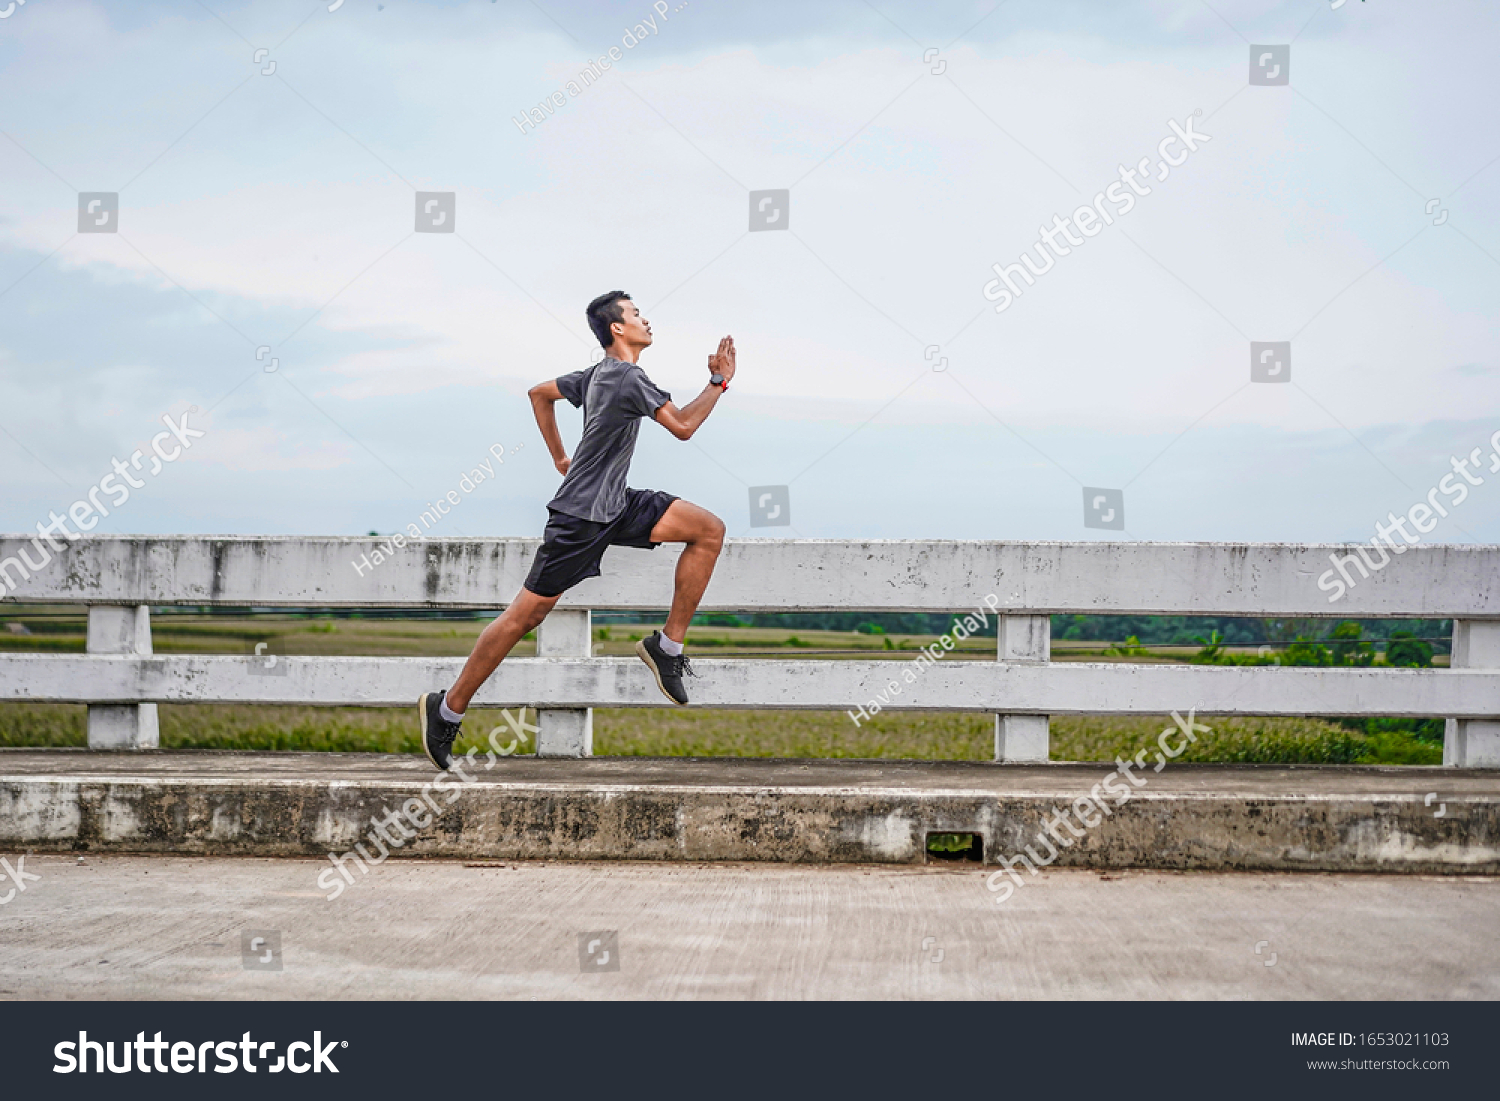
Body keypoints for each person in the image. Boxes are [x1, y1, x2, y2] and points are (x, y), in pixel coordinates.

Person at [417, 290, 735, 770]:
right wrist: (718, 381)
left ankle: (666, 647)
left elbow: (538, 394)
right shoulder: (626, 376)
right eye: (636, 315)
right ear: (617, 329)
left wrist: (560, 458)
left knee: (708, 530)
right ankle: (445, 710)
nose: (646, 320)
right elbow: (685, 426)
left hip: (615, 506)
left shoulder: (595, 375)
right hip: (579, 520)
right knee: (523, 619)